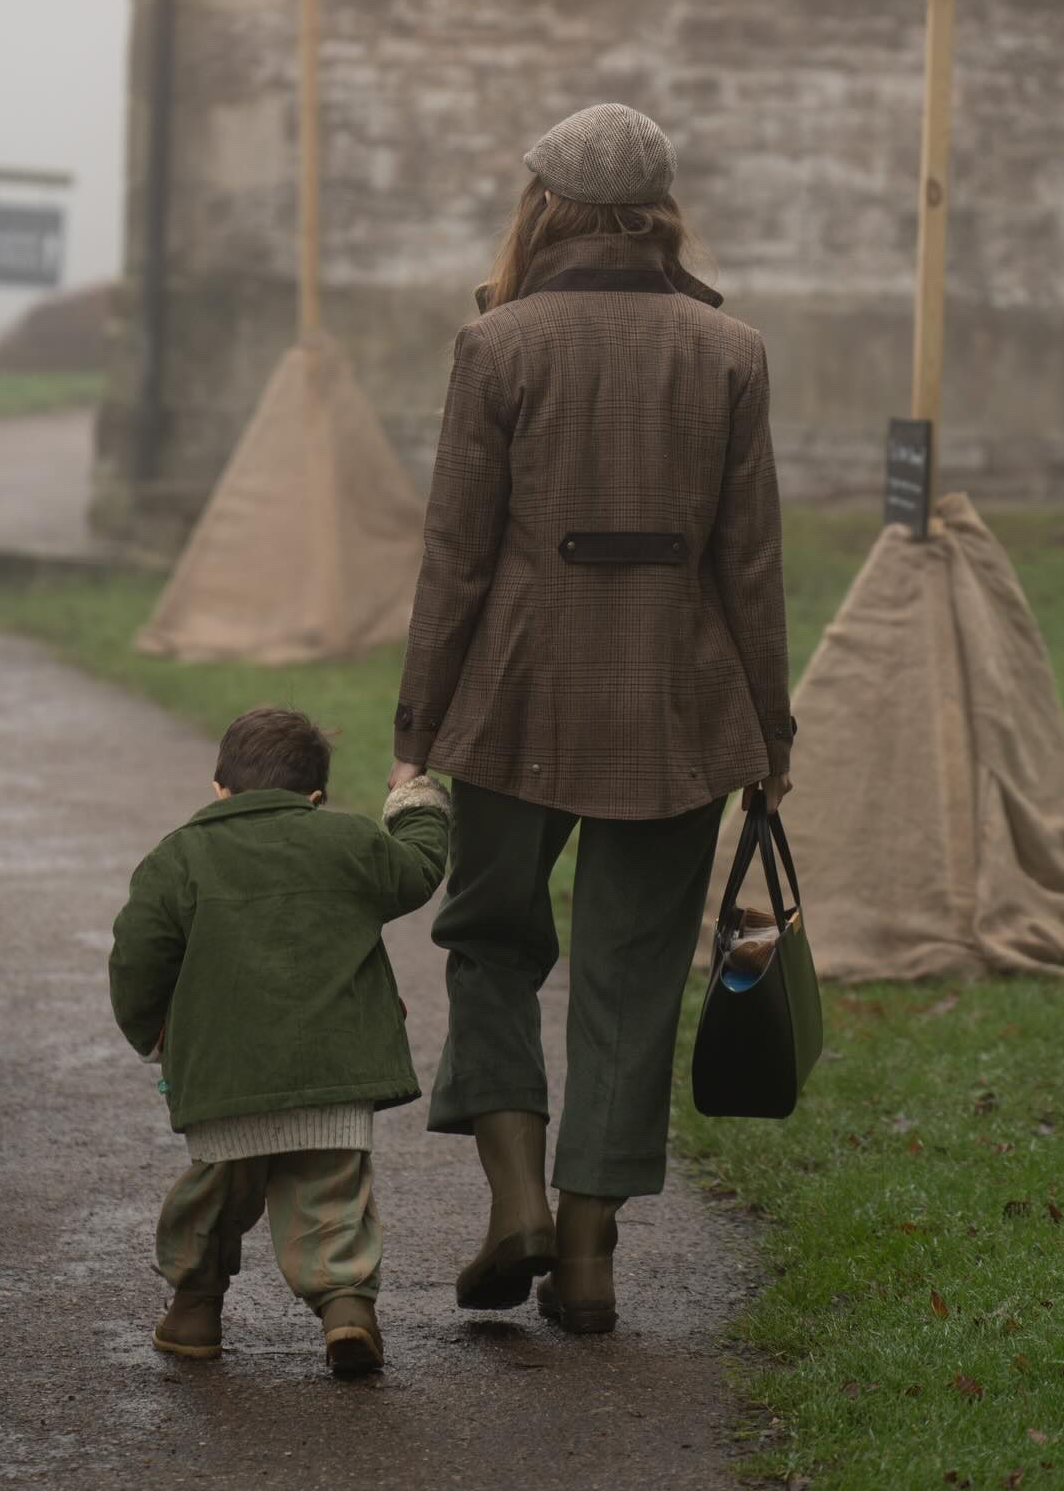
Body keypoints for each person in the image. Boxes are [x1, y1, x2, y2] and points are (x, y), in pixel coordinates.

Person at [388, 102, 794, 1335]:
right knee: (629, 971)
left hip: (514, 697)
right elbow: (752, 564)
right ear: (662, 212)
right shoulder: (731, 352)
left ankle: (511, 1196)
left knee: (492, 938)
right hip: (678, 702)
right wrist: (769, 736)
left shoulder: (497, 346)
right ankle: (585, 1256)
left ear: (543, 208)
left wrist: (419, 724)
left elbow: (455, 556)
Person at [110, 706, 450, 1375]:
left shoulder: (177, 857)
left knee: (212, 1198)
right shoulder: (348, 842)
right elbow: (417, 867)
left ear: (219, 789)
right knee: (330, 1199)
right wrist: (416, 796)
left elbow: (137, 958)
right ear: (315, 798)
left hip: (224, 1078)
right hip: (336, 1068)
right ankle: (348, 1309)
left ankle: (194, 1310)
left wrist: (152, 1033)